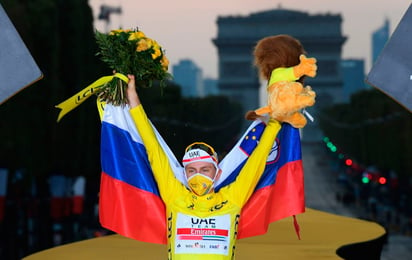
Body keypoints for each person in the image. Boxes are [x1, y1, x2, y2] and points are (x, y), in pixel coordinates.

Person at [126, 74, 281, 259]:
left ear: (217, 173)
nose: (197, 175)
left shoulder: (234, 196)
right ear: (184, 173)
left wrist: (276, 120)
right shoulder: (174, 194)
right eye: (191, 170)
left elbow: (259, 159)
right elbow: (152, 148)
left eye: (205, 169)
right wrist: (132, 98)